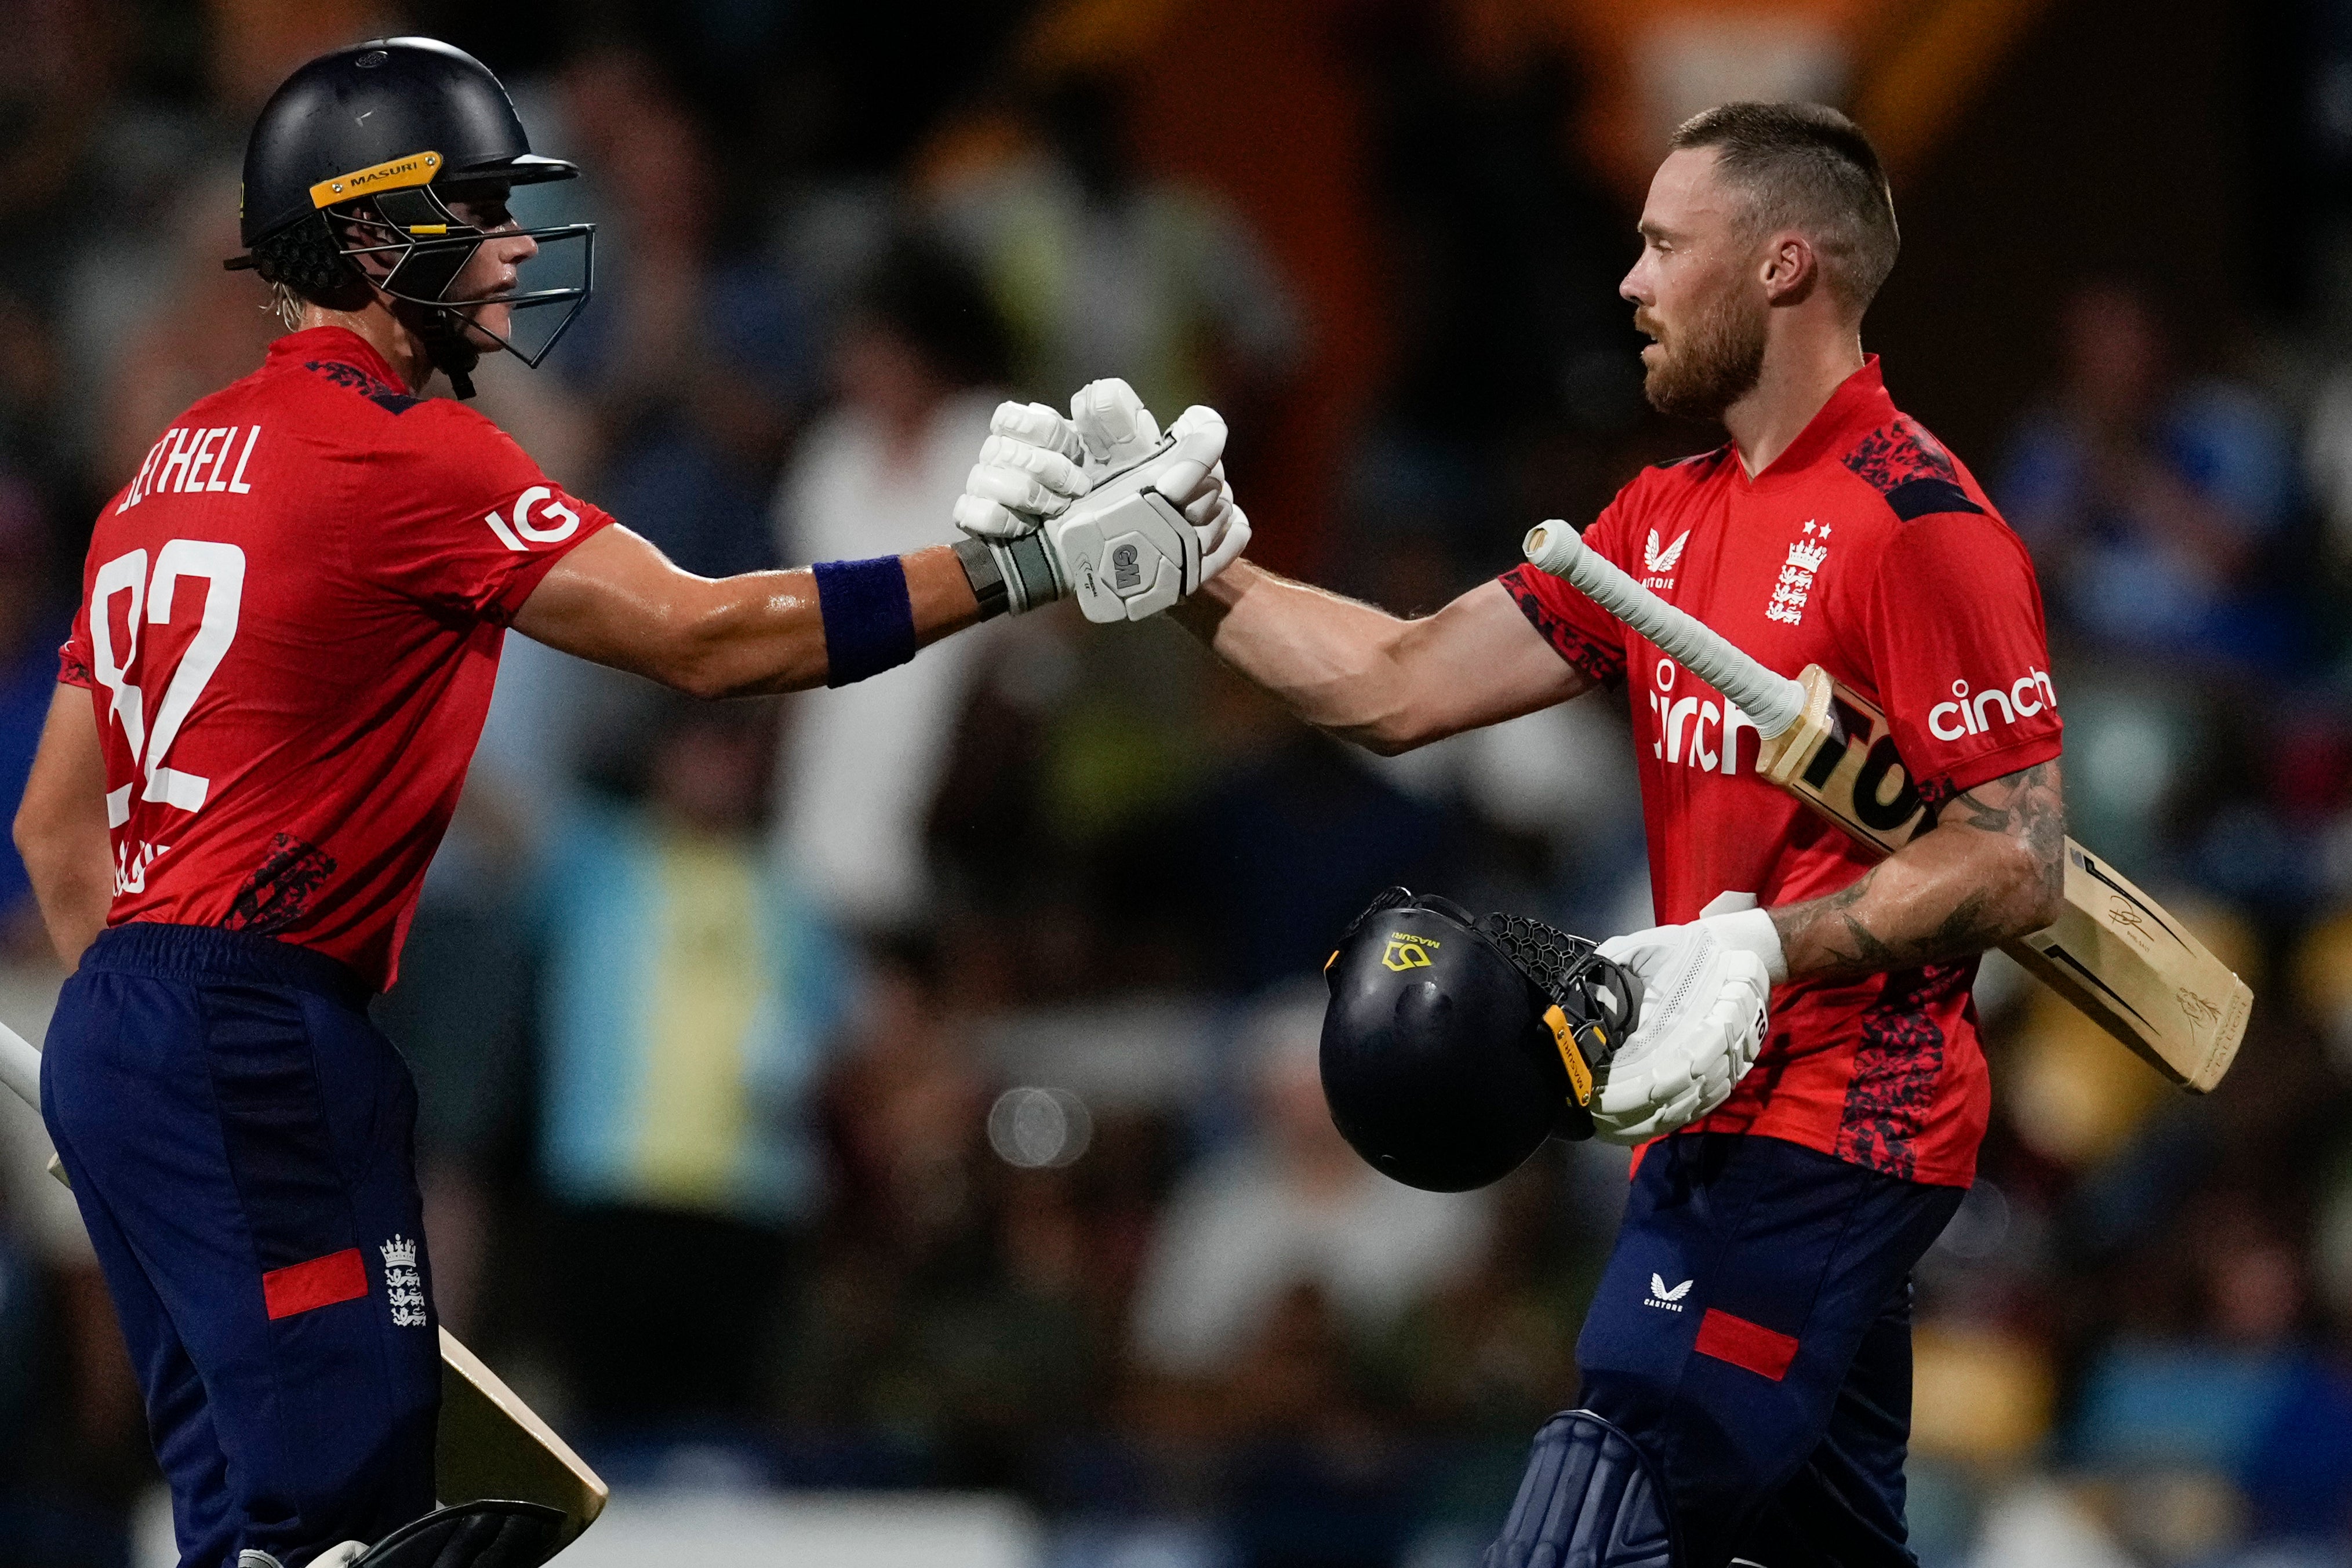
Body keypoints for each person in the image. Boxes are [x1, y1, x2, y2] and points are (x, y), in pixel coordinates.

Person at [7, 37, 1241, 1568]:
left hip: (128, 1020)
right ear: (376, 234)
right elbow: (709, 637)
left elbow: (56, 830)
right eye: (479, 208)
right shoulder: (406, 454)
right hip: (263, 1034)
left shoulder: (158, 471)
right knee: (348, 1532)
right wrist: (1021, 566)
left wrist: (129, 1071)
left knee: (243, 1539)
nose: (519, 242)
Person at [966, 103, 2066, 1567]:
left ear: (1782, 266)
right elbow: (1399, 681)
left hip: (1836, 1119)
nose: (1629, 281)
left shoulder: (1919, 522)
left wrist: (1758, 946)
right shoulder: (1663, 517)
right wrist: (1181, 568)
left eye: (1666, 245)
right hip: (1707, 1111)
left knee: (1616, 1458)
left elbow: (2015, 858)